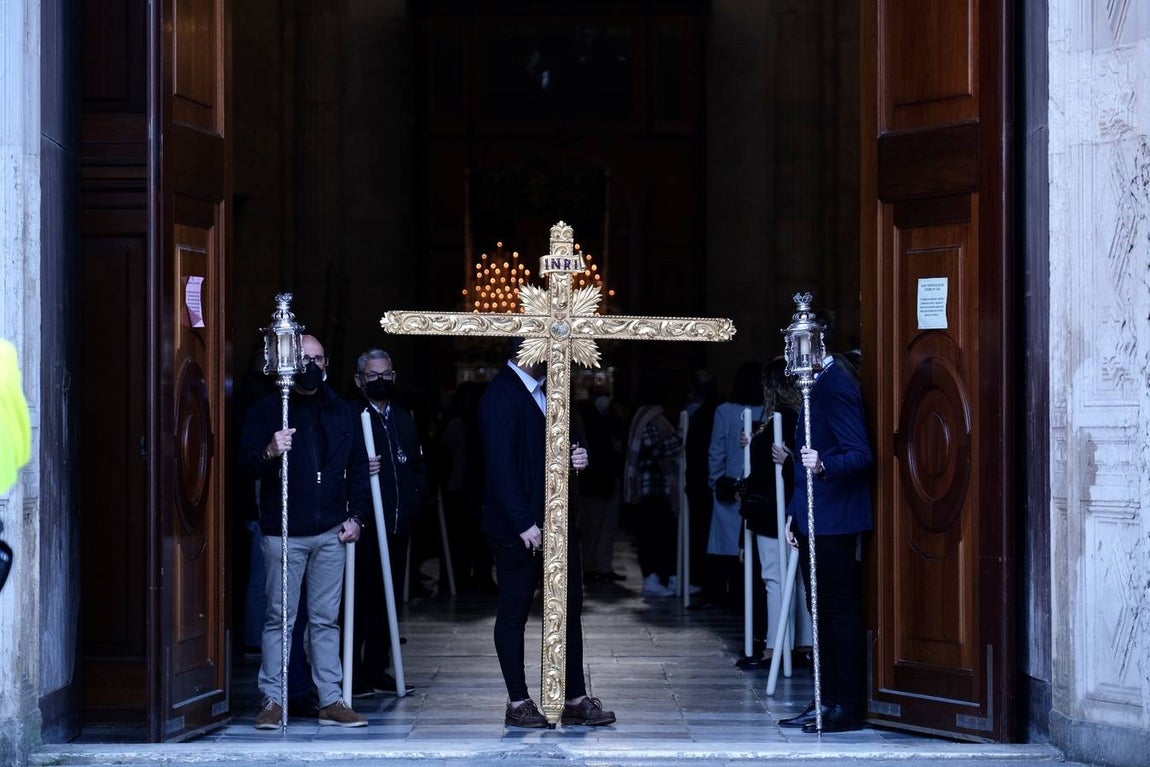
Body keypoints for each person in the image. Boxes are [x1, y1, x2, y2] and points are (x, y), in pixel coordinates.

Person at [479, 341, 615, 728]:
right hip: (519, 527)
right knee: (514, 611)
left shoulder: (554, 391)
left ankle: (574, 696)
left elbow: (568, 443)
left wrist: (578, 457)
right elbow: (501, 465)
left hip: (558, 523)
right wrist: (523, 522)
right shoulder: (502, 393)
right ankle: (518, 701)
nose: (561, 357)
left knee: (568, 609)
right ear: (531, 349)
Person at [239, 334, 369, 729]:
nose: (312, 365)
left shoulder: (341, 410)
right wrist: (270, 451)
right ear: (290, 363)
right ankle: (273, 701)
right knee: (281, 618)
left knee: (325, 620)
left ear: (326, 362)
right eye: (304, 358)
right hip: (283, 532)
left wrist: (357, 517)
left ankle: (331, 698)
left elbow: (360, 467)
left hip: (331, 530)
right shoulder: (268, 409)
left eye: (318, 357)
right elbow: (244, 465)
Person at [778, 351, 873, 733]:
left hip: (835, 518)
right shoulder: (814, 383)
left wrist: (825, 465)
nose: (790, 353)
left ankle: (844, 705)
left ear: (816, 346)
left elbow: (860, 454)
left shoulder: (836, 386)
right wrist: (793, 513)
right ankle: (824, 698)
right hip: (813, 516)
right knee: (818, 610)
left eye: (796, 344)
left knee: (838, 610)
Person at [348, 348, 425, 697]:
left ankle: (377, 668)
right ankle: (353, 673)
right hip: (365, 524)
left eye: (386, 375)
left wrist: (415, 498)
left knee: (389, 600)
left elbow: (415, 464)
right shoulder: (350, 417)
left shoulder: (404, 418)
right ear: (360, 380)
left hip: (397, 522)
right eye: (373, 376)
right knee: (359, 601)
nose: (381, 381)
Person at [706, 361, 766, 609]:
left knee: (731, 551)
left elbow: (716, 451)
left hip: (731, 484)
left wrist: (716, 482)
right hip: (758, 486)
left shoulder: (725, 411)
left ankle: (732, 600)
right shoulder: (766, 410)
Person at [622, 376, 682, 598]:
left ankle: (660, 577)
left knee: (657, 533)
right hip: (650, 486)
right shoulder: (650, 417)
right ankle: (652, 578)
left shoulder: (646, 416)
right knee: (654, 534)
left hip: (654, 486)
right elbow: (654, 449)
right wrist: (678, 440)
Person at [578, 386, 626, 584]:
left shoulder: (611, 417)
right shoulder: (587, 418)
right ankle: (589, 567)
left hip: (609, 477)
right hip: (593, 480)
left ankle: (604, 566)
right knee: (591, 527)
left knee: (608, 526)